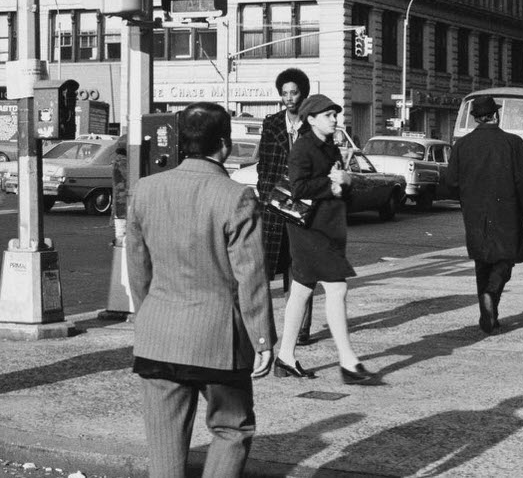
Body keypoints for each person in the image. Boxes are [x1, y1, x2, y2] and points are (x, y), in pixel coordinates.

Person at [126, 102, 273, 478]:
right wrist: (262, 340)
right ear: (223, 144)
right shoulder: (235, 197)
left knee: (165, 440)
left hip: (158, 334)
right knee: (231, 427)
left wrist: (147, 317)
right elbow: (251, 276)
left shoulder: (144, 190)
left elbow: (138, 267)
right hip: (217, 340)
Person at [274, 94, 372, 383]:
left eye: (334, 114)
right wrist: (333, 183)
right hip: (309, 231)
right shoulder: (303, 149)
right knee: (337, 289)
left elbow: (341, 187)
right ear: (311, 119)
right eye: (328, 115)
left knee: (302, 291)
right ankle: (348, 362)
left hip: (326, 229)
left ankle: (285, 357)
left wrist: (346, 182)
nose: (334, 119)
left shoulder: (331, 148)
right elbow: (298, 185)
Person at [446, 93, 523, 334]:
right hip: (506, 208)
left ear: (476, 118)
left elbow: (450, 181)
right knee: (505, 258)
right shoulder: (513, 142)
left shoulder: (462, 145)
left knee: (481, 262)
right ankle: (491, 294)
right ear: (496, 115)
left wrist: (466, 200)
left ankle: (488, 314)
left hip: (475, 212)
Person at [255, 68, 313, 344]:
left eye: (294, 92)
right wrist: (267, 195)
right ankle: (263, 328)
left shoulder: (313, 125)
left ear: (303, 94)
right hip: (275, 206)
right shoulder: (272, 124)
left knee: (300, 268)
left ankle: (301, 327)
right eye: (285, 93)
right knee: (266, 268)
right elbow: (264, 166)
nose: (289, 98)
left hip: (303, 207)